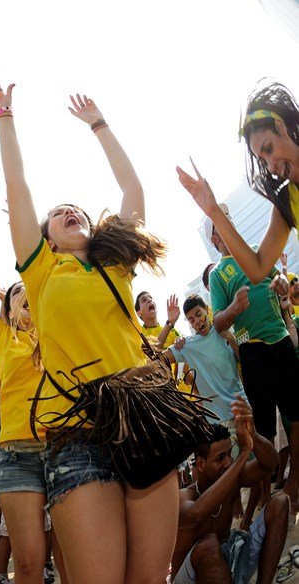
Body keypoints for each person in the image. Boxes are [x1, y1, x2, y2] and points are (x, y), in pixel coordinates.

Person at [0, 78, 205, 583]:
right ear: (44, 238)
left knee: (150, 578)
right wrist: (4, 117)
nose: (70, 212)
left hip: (148, 416)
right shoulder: (39, 274)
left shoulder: (117, 266)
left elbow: (133, 191)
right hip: (78, 436)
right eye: (59, 213)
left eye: (77, 209)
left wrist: (100, 125)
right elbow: (17, 187)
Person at [0, 244, 65, 584]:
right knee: (27, 564)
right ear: (7, 310)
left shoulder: (56, 331)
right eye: (15, 296)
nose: (24, 297)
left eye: (29, 292)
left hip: (67, 451)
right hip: (17, 456)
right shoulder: (1, 337)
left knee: (70, 559)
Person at [197, 206, 299, 508]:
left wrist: (280, 280)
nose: (226, 222)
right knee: (264, 427)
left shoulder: (255, 250)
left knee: (296, 414)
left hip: (281, 341)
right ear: (214, 238)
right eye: (219, 222)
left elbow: (277, 276)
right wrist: (234, 310)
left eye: (227, 216)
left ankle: (295, 482)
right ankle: (268, 496)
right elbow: (218, 322)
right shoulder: (218, 275)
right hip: (252, 352)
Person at [177, 81, 299, 286]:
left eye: (268, 148)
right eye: (262, 161)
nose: (270, 166)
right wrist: (213, 210)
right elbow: (258, 268)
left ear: (281, 127)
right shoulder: (287, 199)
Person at [172, 398, 288, 584]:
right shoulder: (185, 496)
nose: (228, 462)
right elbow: (197, 513)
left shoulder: (233, 478)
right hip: (191, 578)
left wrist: (253, 435)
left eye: (229, 454)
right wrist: (243, 453)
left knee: (280, 502)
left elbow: (271, 463)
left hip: (227, 561)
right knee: (209, 545)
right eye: (220, 458)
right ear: (200, 464)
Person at [161, 295, 244, 424]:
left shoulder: (225, 329)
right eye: (191, 320)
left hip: (242, 408)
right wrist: (170, 323)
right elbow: (156, 358)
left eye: (199, 314)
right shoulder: (186, 346)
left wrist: (230, 337)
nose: (197, 321)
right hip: (218, 421)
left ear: (207, 309)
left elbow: (243, 361)